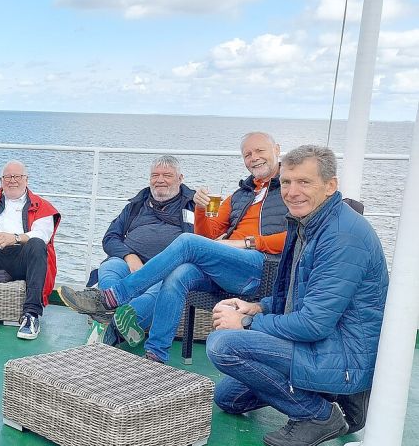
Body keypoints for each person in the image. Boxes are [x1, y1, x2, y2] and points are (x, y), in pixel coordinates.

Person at [207, 145, 387, 446]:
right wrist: (257, 305)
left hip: (343, 358)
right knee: (228, 399)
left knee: (223, 345)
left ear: (331, 185)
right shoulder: (307, 224)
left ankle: (319, 415)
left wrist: (247, 322)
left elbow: (314, 324)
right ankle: (328, 396)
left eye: (304, 182)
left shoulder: (343, 237)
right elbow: (295, 299)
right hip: (319, 346)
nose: (292, 192)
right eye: (287, 182)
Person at [61, 131, 288, 363]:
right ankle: (156, 354)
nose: (253, 157)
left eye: (259, 151)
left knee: (186, 242)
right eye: (248, 154)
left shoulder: (289, 190)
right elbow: (208, 235)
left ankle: (111, 299)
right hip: (226, 266)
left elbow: (298, 236)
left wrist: (248, 242)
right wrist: (201, 209)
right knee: (177, 275)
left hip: (259, 266)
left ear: (277, 150)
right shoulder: (240, 195)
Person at [60, 155, 195, 347]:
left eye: (167, 175)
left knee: (167, 285)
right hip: (131, 264)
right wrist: (129, 257)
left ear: (180, 178)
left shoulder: (192, 205)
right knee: (111, 265)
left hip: (167, 269)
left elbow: (201, 242)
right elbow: (110, 237)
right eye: (155, 175)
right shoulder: (136, 205)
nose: (160, 180)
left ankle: (111, 324)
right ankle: (120, 324)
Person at [0, 160, 61, 340]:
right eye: (7, 177)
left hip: (21, 257)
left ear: (26, 179)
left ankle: (31, 315)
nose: (12, 180)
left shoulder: (42, 206)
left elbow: (43, 234)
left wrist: (15, 237)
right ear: (1, 180)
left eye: (17, 176)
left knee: (38, 244)